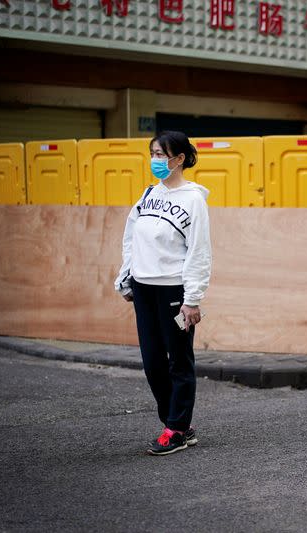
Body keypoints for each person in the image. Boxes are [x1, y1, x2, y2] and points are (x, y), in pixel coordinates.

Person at [115, 130, 212, 456]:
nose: (156, 160)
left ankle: (176, 429)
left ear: (180, 158)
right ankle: (176, 422)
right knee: (153, 363)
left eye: (161, 154)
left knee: (178, 363)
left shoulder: (193, 199)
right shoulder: (148, 194)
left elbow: (199, 251)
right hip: (143, 289)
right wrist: (126, 277)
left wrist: (192, 299)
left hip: (173, 289)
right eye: (153, 153)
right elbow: (132, 238)